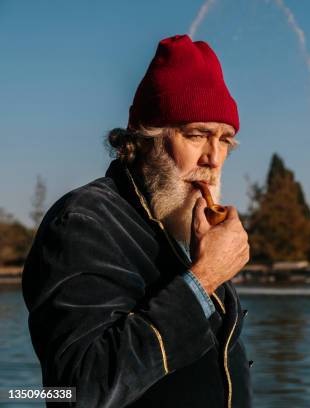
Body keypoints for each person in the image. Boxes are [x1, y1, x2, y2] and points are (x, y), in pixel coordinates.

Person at [22, 34, 252, 407]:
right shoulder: (83, 223)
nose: (214, 157)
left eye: (225, 140)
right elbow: (77, 390)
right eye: (196, 135)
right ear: (147, 139)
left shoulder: (181, 226)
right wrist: (204, 278)